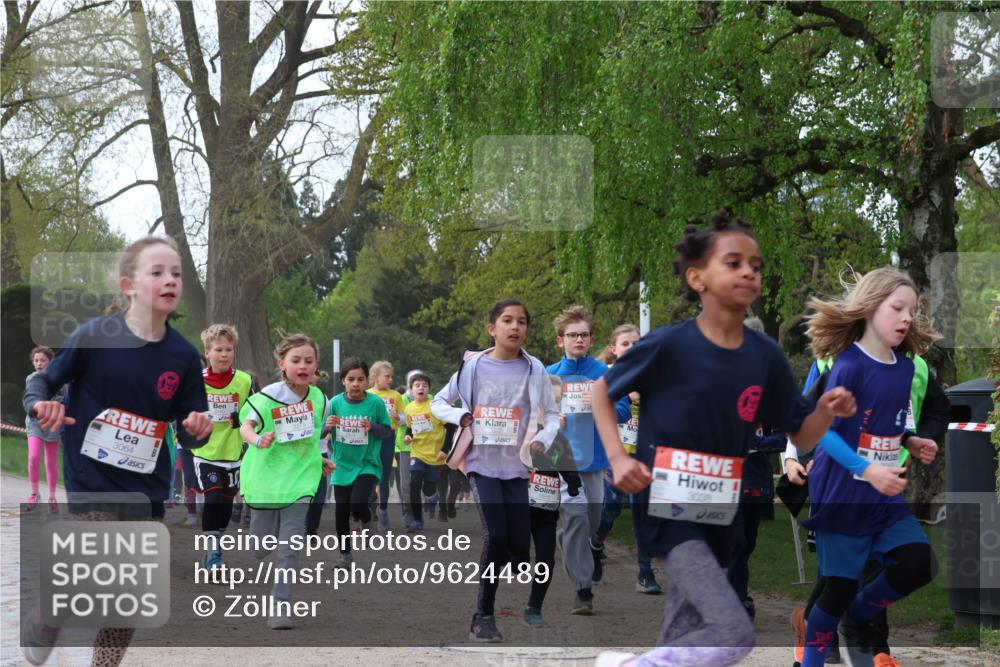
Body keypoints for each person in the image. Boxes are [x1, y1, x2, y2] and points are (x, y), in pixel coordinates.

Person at [590, 211, 856, 667]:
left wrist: (827, 413)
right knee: (733, 635)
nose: (749, 272)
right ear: (697, 277)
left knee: (686, 632)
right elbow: (601, 390)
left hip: (723, 510)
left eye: (756, 264)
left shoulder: (765, 356)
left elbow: (800, 429)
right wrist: (617, 458)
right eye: (733, 263)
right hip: (668, 508)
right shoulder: (669, 345)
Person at [22, 235, 213, 666]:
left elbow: (189, 430)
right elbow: (43, 382)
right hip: (92, 475)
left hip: (146, 484)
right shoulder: (94, 335)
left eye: (177, 273)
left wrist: (197, 428)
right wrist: (40, 405)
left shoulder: (183, 356)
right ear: (128, 285)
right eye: (157, 272)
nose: (170, 280)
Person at [794, 267, 940, 667]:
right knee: (837, 588)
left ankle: (858, 618)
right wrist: (868, 467)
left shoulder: (906, 367)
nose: (907, 317)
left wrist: (910, 440)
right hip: (840, 491)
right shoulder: (849, 366)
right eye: (898, 308)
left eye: (912, 310)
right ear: (870, 308)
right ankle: (808, 661)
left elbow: (886, 423)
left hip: (880, 492)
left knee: (919, 562)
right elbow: (824, 433)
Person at [432, 298, 561, 643]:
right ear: (492, 329)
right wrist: (460, 417)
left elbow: (551, 416)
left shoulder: (535, 369)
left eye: (521, 321)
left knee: (520, 542)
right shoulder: (472, 368)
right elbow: (438, 402)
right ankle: (482, 616)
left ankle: (515, 555)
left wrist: (542, 442)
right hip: (481, 463)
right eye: (507, 320)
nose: (515, 327)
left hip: (518, 466)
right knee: (497, 536)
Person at [238, 332, 334, 629]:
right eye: (296, 360)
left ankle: (280, 606)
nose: (303, 366)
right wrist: (258, 440)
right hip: (266, 478)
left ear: (316, 365)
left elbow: (311, 436)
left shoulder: (320, 398)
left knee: (290, 546)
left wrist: (322, 459)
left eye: (309, 360)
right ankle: (263, 534)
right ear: (282, 363)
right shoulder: (266, 397)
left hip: (302, 480)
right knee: (260, 546)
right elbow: (245, 427)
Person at [547, 305, 632, 614]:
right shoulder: (549, 376)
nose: (578, 340)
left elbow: (623, 411)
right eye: (572, 335)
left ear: (592, 338)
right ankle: (583, 591)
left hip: (596, 462)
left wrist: (599, 405)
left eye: (583, 335)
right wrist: (552, 419)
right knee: (575, 519)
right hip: (563, 464)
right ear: (561, 341)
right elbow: (537, 418)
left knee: (591, 524)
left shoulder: (605, 373)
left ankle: (581, 543)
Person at [590, 324, 664, 595]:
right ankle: (596, 545)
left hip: (644, 455)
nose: (631, 348)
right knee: (610, 507)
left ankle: (645, 572)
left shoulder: (654, 377)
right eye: (625, 344)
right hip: (613, 455)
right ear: (614, 349)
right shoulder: (607, 377)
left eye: (636, 343)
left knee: (641, 511)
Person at [725, 317, 789, 621]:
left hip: (755, 478)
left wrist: (758, 443)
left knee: (746, 543)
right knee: (734, 542)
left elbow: (782, 436)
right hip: (721, 478)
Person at [523, 374, 582, 627]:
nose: (554, 410)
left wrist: (574, 480)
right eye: (548, 404)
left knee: (546, 559)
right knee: (515, 554)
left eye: (558, 404)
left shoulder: (560, 439)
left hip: (547, 510)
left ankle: (534, 607)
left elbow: (569, 468)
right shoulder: (520, 433)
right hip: (519, 509)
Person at [194, 324, 254, 572]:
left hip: (233, 454)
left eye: (229, 349)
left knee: (226, 508)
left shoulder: (243, 380)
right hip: (205, 452)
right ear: (207, 352)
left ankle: (216, 542)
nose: (224, 354)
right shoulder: (197, 382)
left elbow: (253, 411)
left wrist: (243, 419)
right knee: (214, 496)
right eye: (218, 349)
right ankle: (212, 553)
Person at [325, 357, 393, 566]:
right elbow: (319, 433)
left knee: (357, 505)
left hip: (367, 463)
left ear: (367, 381)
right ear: (343, 380)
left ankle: (365, 516)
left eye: (360, 379)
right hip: (342, 464)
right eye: (351, 379)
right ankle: (345, 554)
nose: (356, 384)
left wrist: (372, 426)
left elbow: (387, 430)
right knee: (341, 512)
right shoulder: (335, 402)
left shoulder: (375, 403)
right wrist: (327, 426)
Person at [403, 372, 446, 531]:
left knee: (429, 487)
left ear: (429, 389)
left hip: (435, 455)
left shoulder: (435, 406)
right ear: (411, 390)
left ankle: (432, 496)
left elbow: (449, 426)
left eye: (424, 385)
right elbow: (410, 427)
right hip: (417, 453)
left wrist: (445, 449)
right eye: (417, 385)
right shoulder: (409, 408)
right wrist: (408, 437)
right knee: (414, 483)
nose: (421, 388)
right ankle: (417, 521)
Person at [23, 346, 64, 513]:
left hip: (53, 423)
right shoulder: (31, 378)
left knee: (50, 462)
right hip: (35, 422)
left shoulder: (60, 379)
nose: (39, 363)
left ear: (50, 362)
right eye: (36, 360)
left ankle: (52, 497)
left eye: (43, 360)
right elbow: (29, 398)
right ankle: (34, 494)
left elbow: (65, 398)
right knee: (33, 457)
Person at [368, 361, 406, 532]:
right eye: (387, 376)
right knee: (368, 475)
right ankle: (367, 512)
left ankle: (382, 511)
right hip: (369, 438)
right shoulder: (366, 394)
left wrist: (398, 417)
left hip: (388, 437)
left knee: (384, 476)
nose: (390, 379)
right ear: (376, 376)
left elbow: (406, 419)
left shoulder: (396, 396)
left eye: (391, 376)